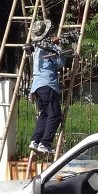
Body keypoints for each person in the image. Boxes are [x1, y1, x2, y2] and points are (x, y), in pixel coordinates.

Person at [27, 18, 71, 154]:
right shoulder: (46, 47)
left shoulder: (36, 47)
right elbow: (60, 63)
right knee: (55, 115)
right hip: (48, 85)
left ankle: (35, 141)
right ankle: (45, 143)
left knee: (44, 114)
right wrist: (58, 46)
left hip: (37, 87)